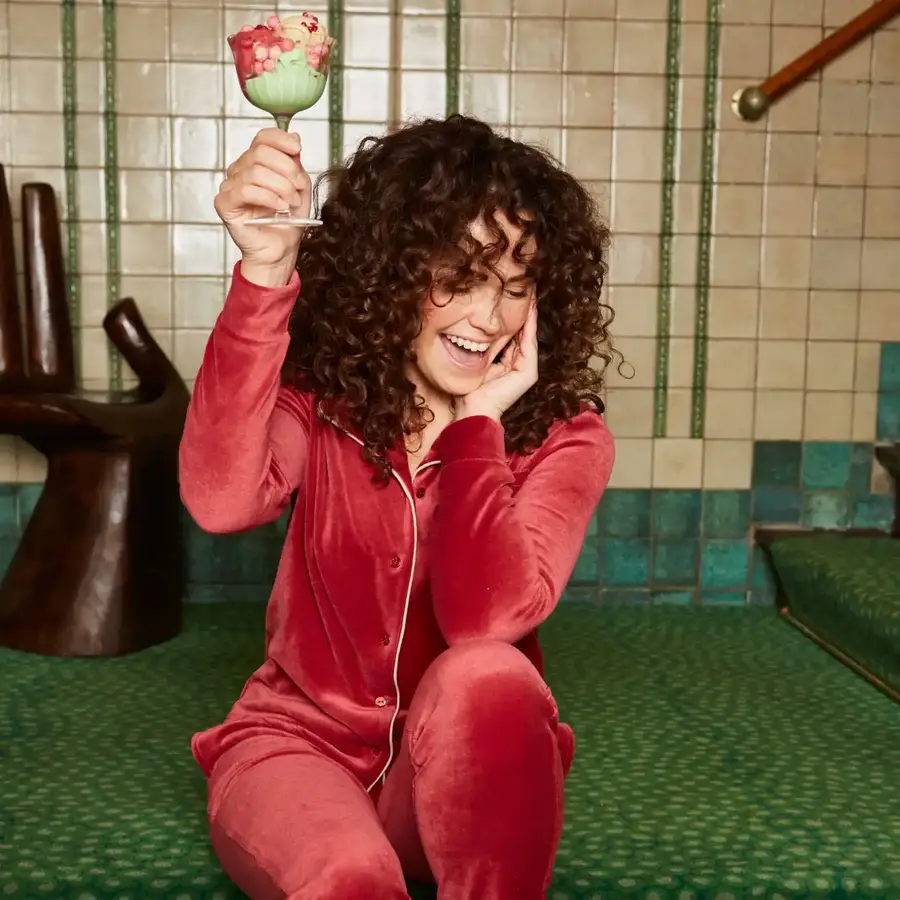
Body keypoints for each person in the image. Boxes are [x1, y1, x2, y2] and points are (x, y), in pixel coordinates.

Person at [180, 114, 616, 900]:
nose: (488, 318)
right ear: (394, 274)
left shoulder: (567, 437)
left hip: (452, 773)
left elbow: (485, 621)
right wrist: (265, 275)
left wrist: (478, 426)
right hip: (297, 748)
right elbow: (221, 501)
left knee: (493, 675)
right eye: (460, 277)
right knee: (352, 878)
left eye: (515, 287)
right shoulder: (326, 399)